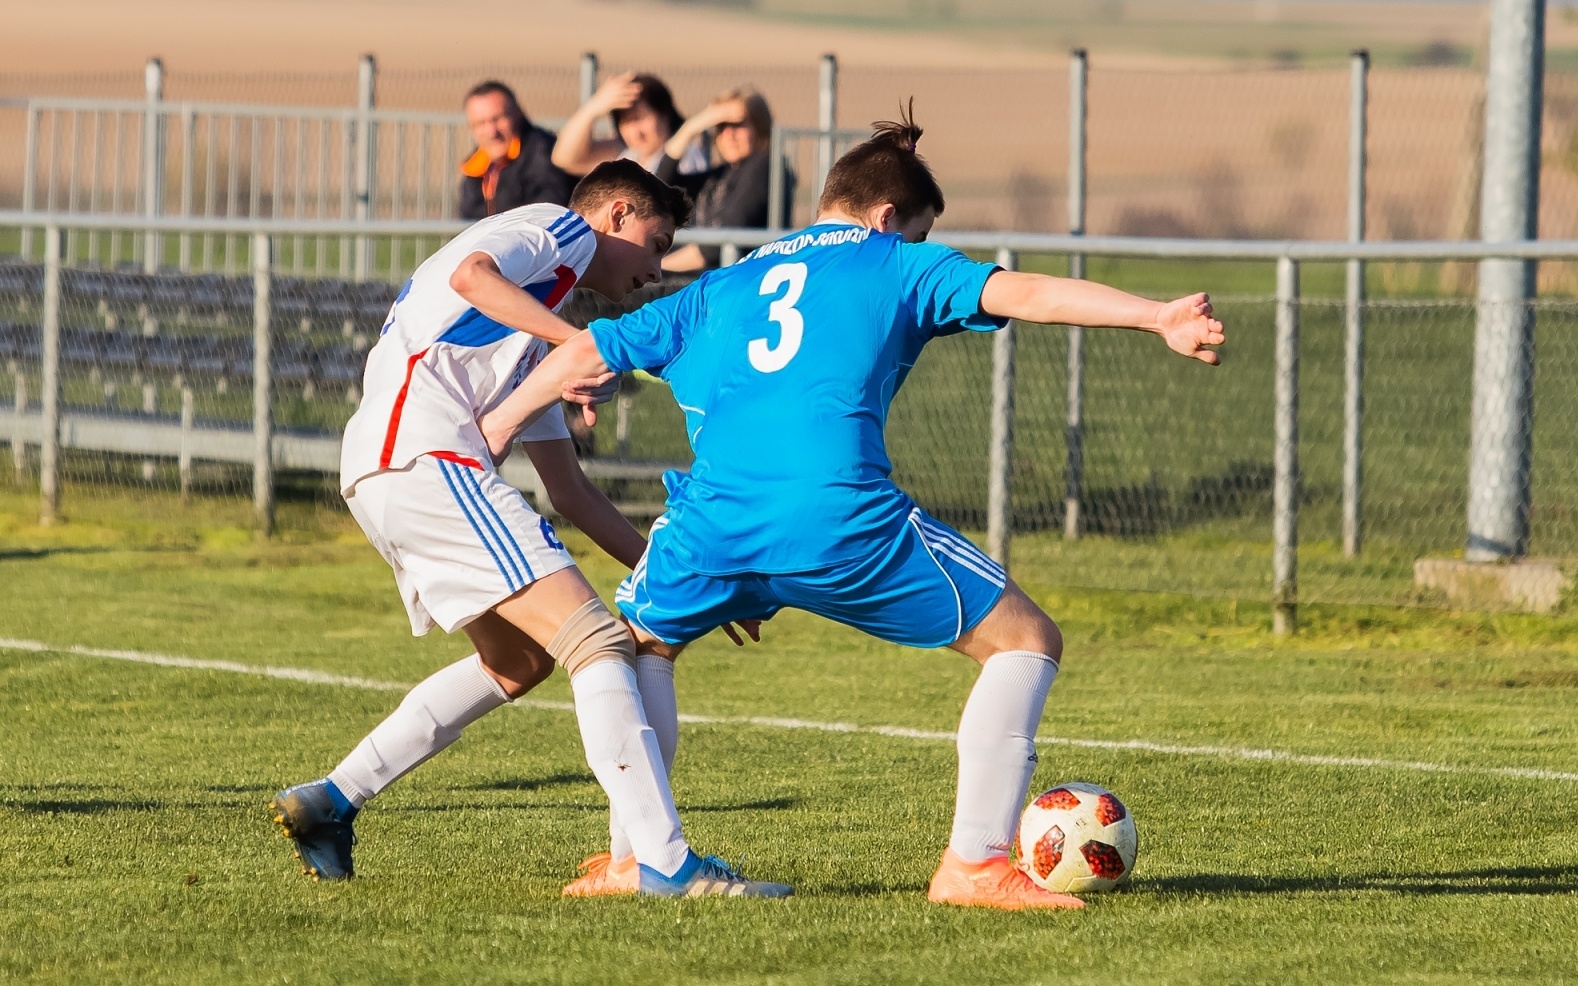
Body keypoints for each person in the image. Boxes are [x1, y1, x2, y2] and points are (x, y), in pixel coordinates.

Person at [478, 114, 1225, 908]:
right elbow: (1029, 291)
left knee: (641, 648)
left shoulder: (722, 286)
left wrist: (497, 426)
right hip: (837, 516)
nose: (922, 246)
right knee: (1026, 640)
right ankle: (973, 866)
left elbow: (585, 348)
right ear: (886, 216)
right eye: (920, 232)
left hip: (715, 524)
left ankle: (635, 856)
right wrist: (1156, 315)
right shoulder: (895, 262)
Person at [269, 159, 790, 900]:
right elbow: (473, 276)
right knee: (598, 641)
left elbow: (573, 494)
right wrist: (580, 346)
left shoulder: (531, 335)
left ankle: (331, 801)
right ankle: (666, 866)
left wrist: (685, 579)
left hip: (387, 468)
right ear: (615, 214)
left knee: (518, 663)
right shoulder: (560, 228)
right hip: (424, 453)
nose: (656, 268)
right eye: (655, 242)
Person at [659, 87, 791, 274]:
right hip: (707, 279)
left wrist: (658, 269)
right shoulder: (720, 174)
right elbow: (659, 191)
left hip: (738, 281)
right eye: (721, 126)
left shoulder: (765, 166)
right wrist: (689, 129)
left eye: (737, 125)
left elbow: (720, 241)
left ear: (759, 127)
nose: (729, 135)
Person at [551, 72, 708, 180]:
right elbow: (564, 159)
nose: (635, 132)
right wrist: (592, 109)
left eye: (640, 119)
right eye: (626, 122)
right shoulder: (628, 154)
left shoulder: (686, 156)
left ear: (665, 115)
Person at [458, 80, 577, 219]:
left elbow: (549, 210)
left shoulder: (543, 153)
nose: (492, 132)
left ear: (518, 113)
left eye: (497, 119)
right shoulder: (475, 167)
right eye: (480, 123)